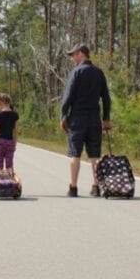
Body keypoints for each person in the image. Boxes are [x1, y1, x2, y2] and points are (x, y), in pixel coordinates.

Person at [60, 44, 112, 197]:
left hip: (77, 117)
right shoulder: (99, 73)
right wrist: (106, 118)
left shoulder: (76, 72)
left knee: (75, 154)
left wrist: (63, 116)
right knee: (94, 155)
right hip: (94, 118)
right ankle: (96, 187)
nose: (72, 59)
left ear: (81, 54)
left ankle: (73, 187)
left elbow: (67, 97)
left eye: (73, 55)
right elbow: (106, 98)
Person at [0, 92, 19, 174]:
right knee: (10, 166)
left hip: (0, 143)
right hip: (10, 142)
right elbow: (16, 131)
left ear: (0, 103)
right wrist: (14, 145)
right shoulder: (15, 115)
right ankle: (11, 183)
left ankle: (1, 183)